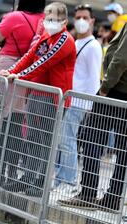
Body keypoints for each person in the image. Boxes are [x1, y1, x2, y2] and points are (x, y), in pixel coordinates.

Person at [0, 2, 76, 197]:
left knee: (46, 140)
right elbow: (29, 56)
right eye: (47, 17)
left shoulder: (64, 40)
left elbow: (45, 62)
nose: (49, 22)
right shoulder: (45, 37)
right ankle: (29, 177)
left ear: (64, 21)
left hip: (52, 97)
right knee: (32, 137)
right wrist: (12, 70)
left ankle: (40, 182)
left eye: (54, 19)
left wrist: (20, 76)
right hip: (36, 94)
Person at [58, 23, 127, 213]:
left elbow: (121, 58)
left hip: (116, 90)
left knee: (92, 138)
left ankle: (88, 192)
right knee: (122, 149)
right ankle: (113, 198)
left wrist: (105, 88)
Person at [0, 0, 46, 184]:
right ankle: (11, 173)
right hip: (29, 70)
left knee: (7, 121)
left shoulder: (14, 16)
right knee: (17, 120)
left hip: (9, 66)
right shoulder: (44, 19)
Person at [54, 4, 102, 192]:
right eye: (78, 17)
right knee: (63, 140)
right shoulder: (76, 42)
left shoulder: (93, 46)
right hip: (70, 99)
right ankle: (62, 178)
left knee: (67, 140)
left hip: (80, 102)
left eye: (85, 17)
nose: (81, 20)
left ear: (92, 21)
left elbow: (93, 78)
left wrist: (89, 104)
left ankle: (68, 181)